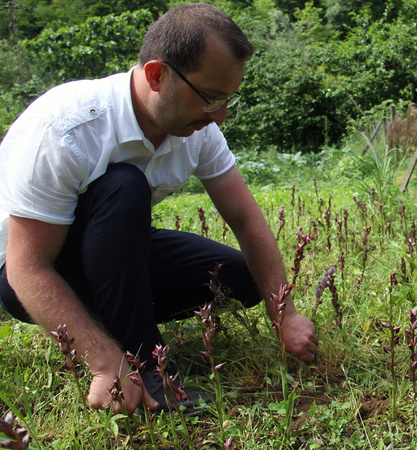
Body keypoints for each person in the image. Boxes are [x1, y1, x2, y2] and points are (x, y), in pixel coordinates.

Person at [0, 3, 318, 415]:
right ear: (156, 74)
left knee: (239, 278)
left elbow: (245, 217)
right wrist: (102, 360)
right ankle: (148, 368)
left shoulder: (196, 129)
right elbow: (26, 268)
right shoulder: (67, 130)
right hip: (26, 270)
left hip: (113, 253)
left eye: (227, 101)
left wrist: (285, 314)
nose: (218, 115)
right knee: (122, 185)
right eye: (209, 98)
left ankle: (111, 319)